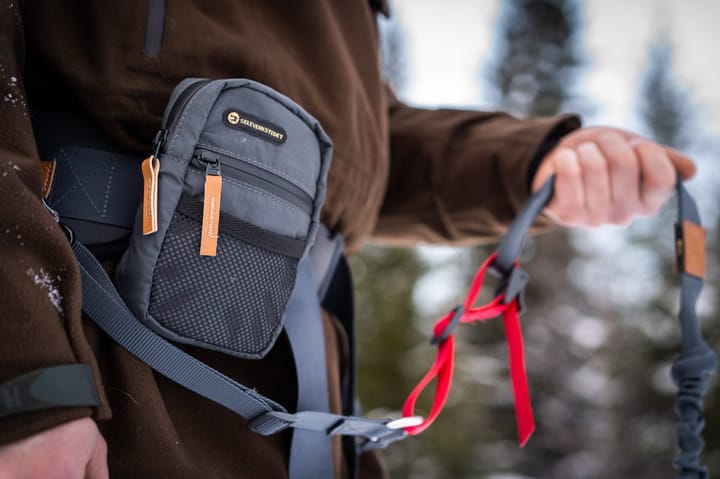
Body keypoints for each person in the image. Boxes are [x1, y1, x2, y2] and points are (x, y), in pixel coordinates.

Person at [0, 1, 696, 478]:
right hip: (106, 365)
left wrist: (532, 164)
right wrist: (25, 379)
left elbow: (360, 154)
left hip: (303, 404)